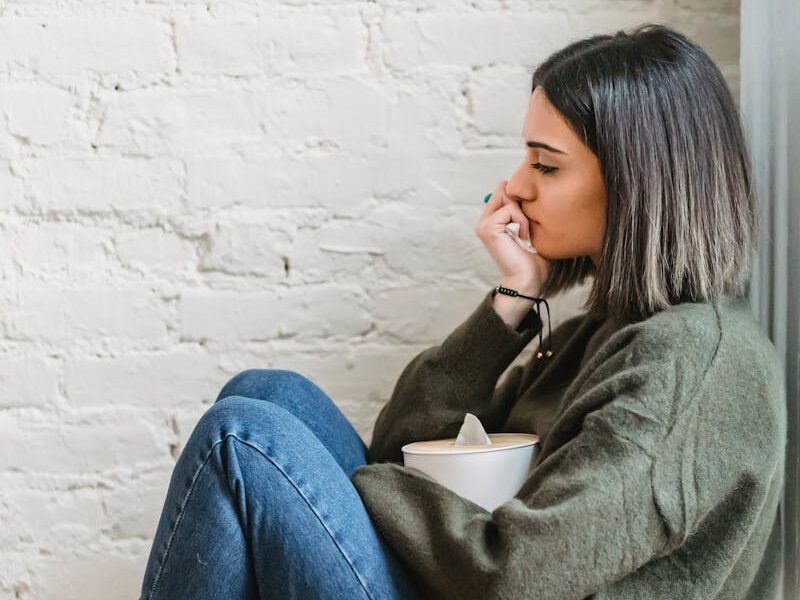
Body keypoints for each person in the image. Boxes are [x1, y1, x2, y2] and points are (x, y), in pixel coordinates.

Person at [138, 23, 786, 600]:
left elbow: (512, 572)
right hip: (466, 579)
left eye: (545, 164)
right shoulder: (606, 328)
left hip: (489, 585)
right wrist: (511, 303)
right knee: (267, 395)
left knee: (243, 438)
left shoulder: (689, 367)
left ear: (635, 181)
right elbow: (405, 449)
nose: (517, 185)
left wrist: (357, 483)